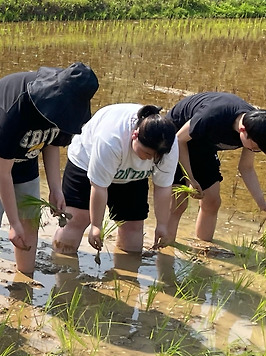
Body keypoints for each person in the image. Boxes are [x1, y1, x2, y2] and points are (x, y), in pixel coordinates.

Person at [0, 63, 98, 285]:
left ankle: (25, 280)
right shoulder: (13, 106)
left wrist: (55, 188)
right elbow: (1, 171)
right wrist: (13, 224)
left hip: (27, 158)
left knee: (30, 221)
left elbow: (51, 143)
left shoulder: (66, 104)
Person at [52, 104, 179, 255]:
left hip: (133, 176)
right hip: (86, 162)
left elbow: (163, 188)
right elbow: (99, 187)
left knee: (133, 225)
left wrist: (162, 225)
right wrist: (96, 225)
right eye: (147, 153)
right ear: (135, 135)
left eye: (156, 157)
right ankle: (61, 267)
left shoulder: (168, 145)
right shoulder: (111, 139)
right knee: (77, 219)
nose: (150, 159)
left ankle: (127, 275)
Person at [166, 92, 266, 244]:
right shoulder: (212, 116)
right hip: (174, 139)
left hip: (203, 145)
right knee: (178, 202)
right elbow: (178, 140)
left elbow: (246, 168)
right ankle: (165, 249)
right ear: (243, 131)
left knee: (212, 201)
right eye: (256, 148)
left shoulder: (255, 128)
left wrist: (262, 203)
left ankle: (203, 246)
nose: (255, 151)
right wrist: (189, 178)